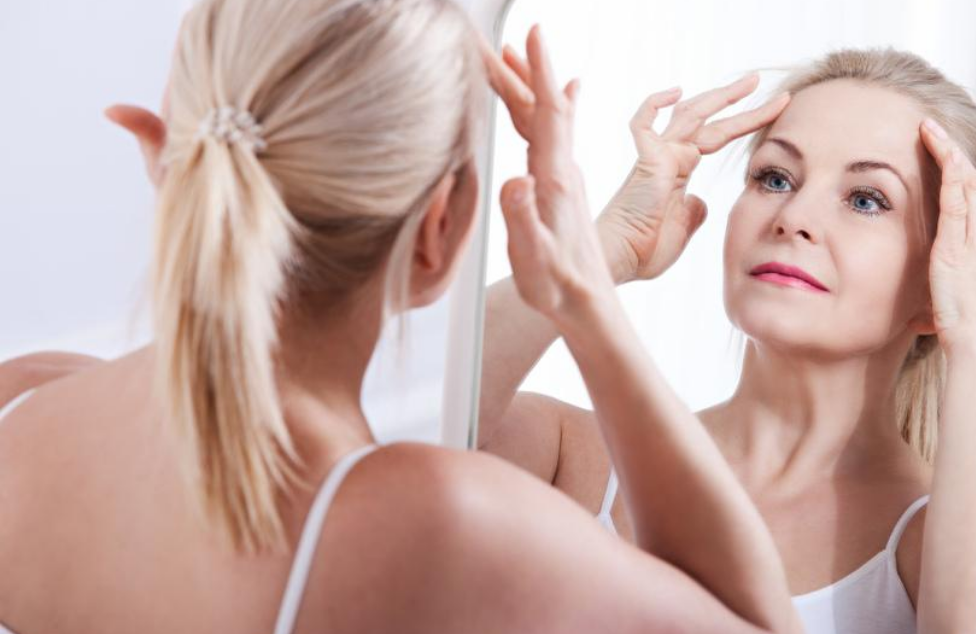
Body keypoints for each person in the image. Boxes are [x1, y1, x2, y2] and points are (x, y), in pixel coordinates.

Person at [0, 2, 805, 632]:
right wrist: (582, 291)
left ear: (155, 152)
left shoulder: (23, 400)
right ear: (442, 230)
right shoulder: (435, 521)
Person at [481, 45, 976, 634]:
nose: (794, 217)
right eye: (775, 178)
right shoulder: (568, 456)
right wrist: (596, 253)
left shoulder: (923, 544)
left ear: (942, 278)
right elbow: (393, 432)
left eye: (866, 199)